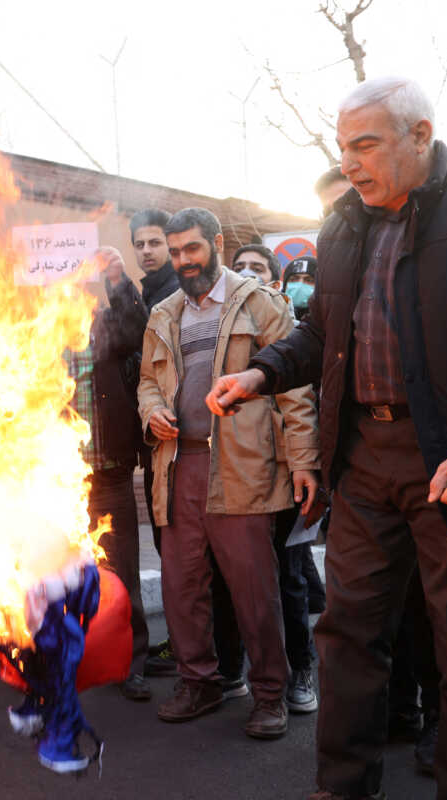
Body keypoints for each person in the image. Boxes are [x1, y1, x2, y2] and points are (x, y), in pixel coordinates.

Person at [207, 76, 447, 800]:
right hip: (365, 460)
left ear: (420, 135)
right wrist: (261, 374)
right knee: (347, 636)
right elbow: (325, 332)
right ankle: (340, 787)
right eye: (342, 146)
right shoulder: (346, 223)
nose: (349, 162)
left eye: (365, 144)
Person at [138, 207, 320, 741]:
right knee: (182, 584)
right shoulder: (164, 313)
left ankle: (269, 694)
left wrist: (304, 462)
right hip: (179, 464)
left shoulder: (260, 302)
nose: (183, 261)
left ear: (215, 242)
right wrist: (151, 411)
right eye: (174, 253)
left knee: (253, 588)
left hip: (243, 463)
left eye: (192, 249)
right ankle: (200, 682)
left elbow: (296, 389)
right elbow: (148, 380)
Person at [64, 246, 152, 700]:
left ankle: (129, 663)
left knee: (121, 576)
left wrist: (117, 277)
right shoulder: (33, 338)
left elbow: (140, 329)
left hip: (110, 475)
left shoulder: (110, 328)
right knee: (61, 574)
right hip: (57, 482)